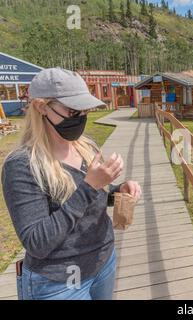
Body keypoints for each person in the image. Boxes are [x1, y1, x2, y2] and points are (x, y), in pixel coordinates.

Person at [1, 68, 142, 300]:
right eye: (72, 111)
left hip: (103, 262)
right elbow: (37, 242)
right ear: (41, 107)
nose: (81, 118)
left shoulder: (85, 146)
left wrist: (117, 191)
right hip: (57, 282)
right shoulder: (22, 165)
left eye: (84, 111)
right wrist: (89, 187)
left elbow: (91, 195)